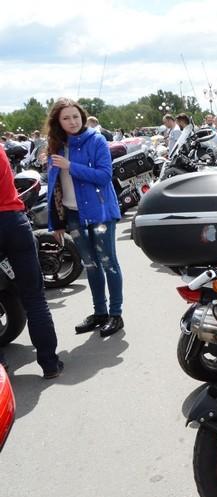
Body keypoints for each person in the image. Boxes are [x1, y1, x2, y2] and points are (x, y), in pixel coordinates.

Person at [45, 98, 124, 337]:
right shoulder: (56, 145)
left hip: (100, 213)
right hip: (72, 214)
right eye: (66, 118)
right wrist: (56, 222)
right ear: (58, 122)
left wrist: (70, 166)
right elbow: (54, 187)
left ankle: (116, 314)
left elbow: (104, 176)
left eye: (75, 116)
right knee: (90, 265)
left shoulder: (96, 140)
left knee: (108, 263)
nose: (72, 121)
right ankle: (100, 313)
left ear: (82, 117)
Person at [0, 148, 62, 378]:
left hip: (12, 220)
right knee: (35, 298)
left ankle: (2, 369)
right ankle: (50, 364)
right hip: (14, 222)